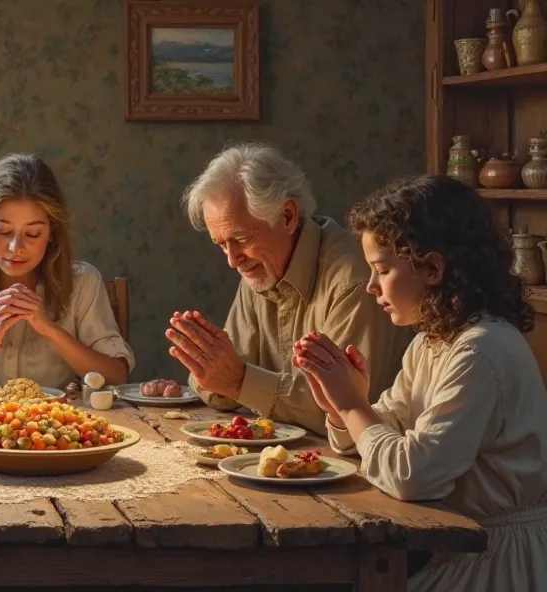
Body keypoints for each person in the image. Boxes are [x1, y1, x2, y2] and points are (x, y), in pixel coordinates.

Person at [293, 175, 547, 592]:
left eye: (382, 270)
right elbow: (387, 430)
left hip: (498, 561)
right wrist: (340, 407)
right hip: (456, 545)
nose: (372, 286)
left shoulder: (482, 350)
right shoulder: (434, 342)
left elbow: (412, 474)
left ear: (432, 267)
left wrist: (356, 408)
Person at [166, 143, 412, 435]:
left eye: (241, 238)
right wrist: (208, 369)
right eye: (221, 244)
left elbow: (349, 409)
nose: (232, 261)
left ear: (287, 216)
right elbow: (227, 379)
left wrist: (236, 381)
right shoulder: (257, 270)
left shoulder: (354, 280)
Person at [0, 153, 134, 393]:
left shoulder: (83, 282)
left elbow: (116, 376)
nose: (15, 248)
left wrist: (49, 329)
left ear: (52, 233)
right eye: (2, 231)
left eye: (32, 234)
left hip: (55, 425)